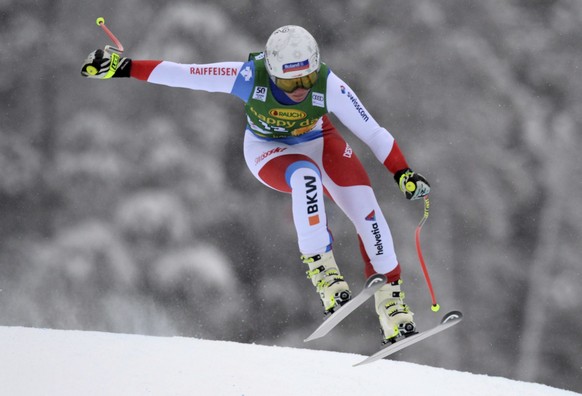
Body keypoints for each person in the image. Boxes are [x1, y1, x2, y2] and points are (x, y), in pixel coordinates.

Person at [81, 25, 430, 344]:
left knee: (367, 210)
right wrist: (122, 67)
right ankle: (324, 272)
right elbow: (186, 75)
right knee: (305, 176)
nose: (299, 90)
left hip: (320, 141)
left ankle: (391, 304)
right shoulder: (249, 76)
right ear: (273, 72)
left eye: (306, 80)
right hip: (268, 150)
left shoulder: (328, 83)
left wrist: (402, 172)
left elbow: (371, 130)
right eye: (290, 84)